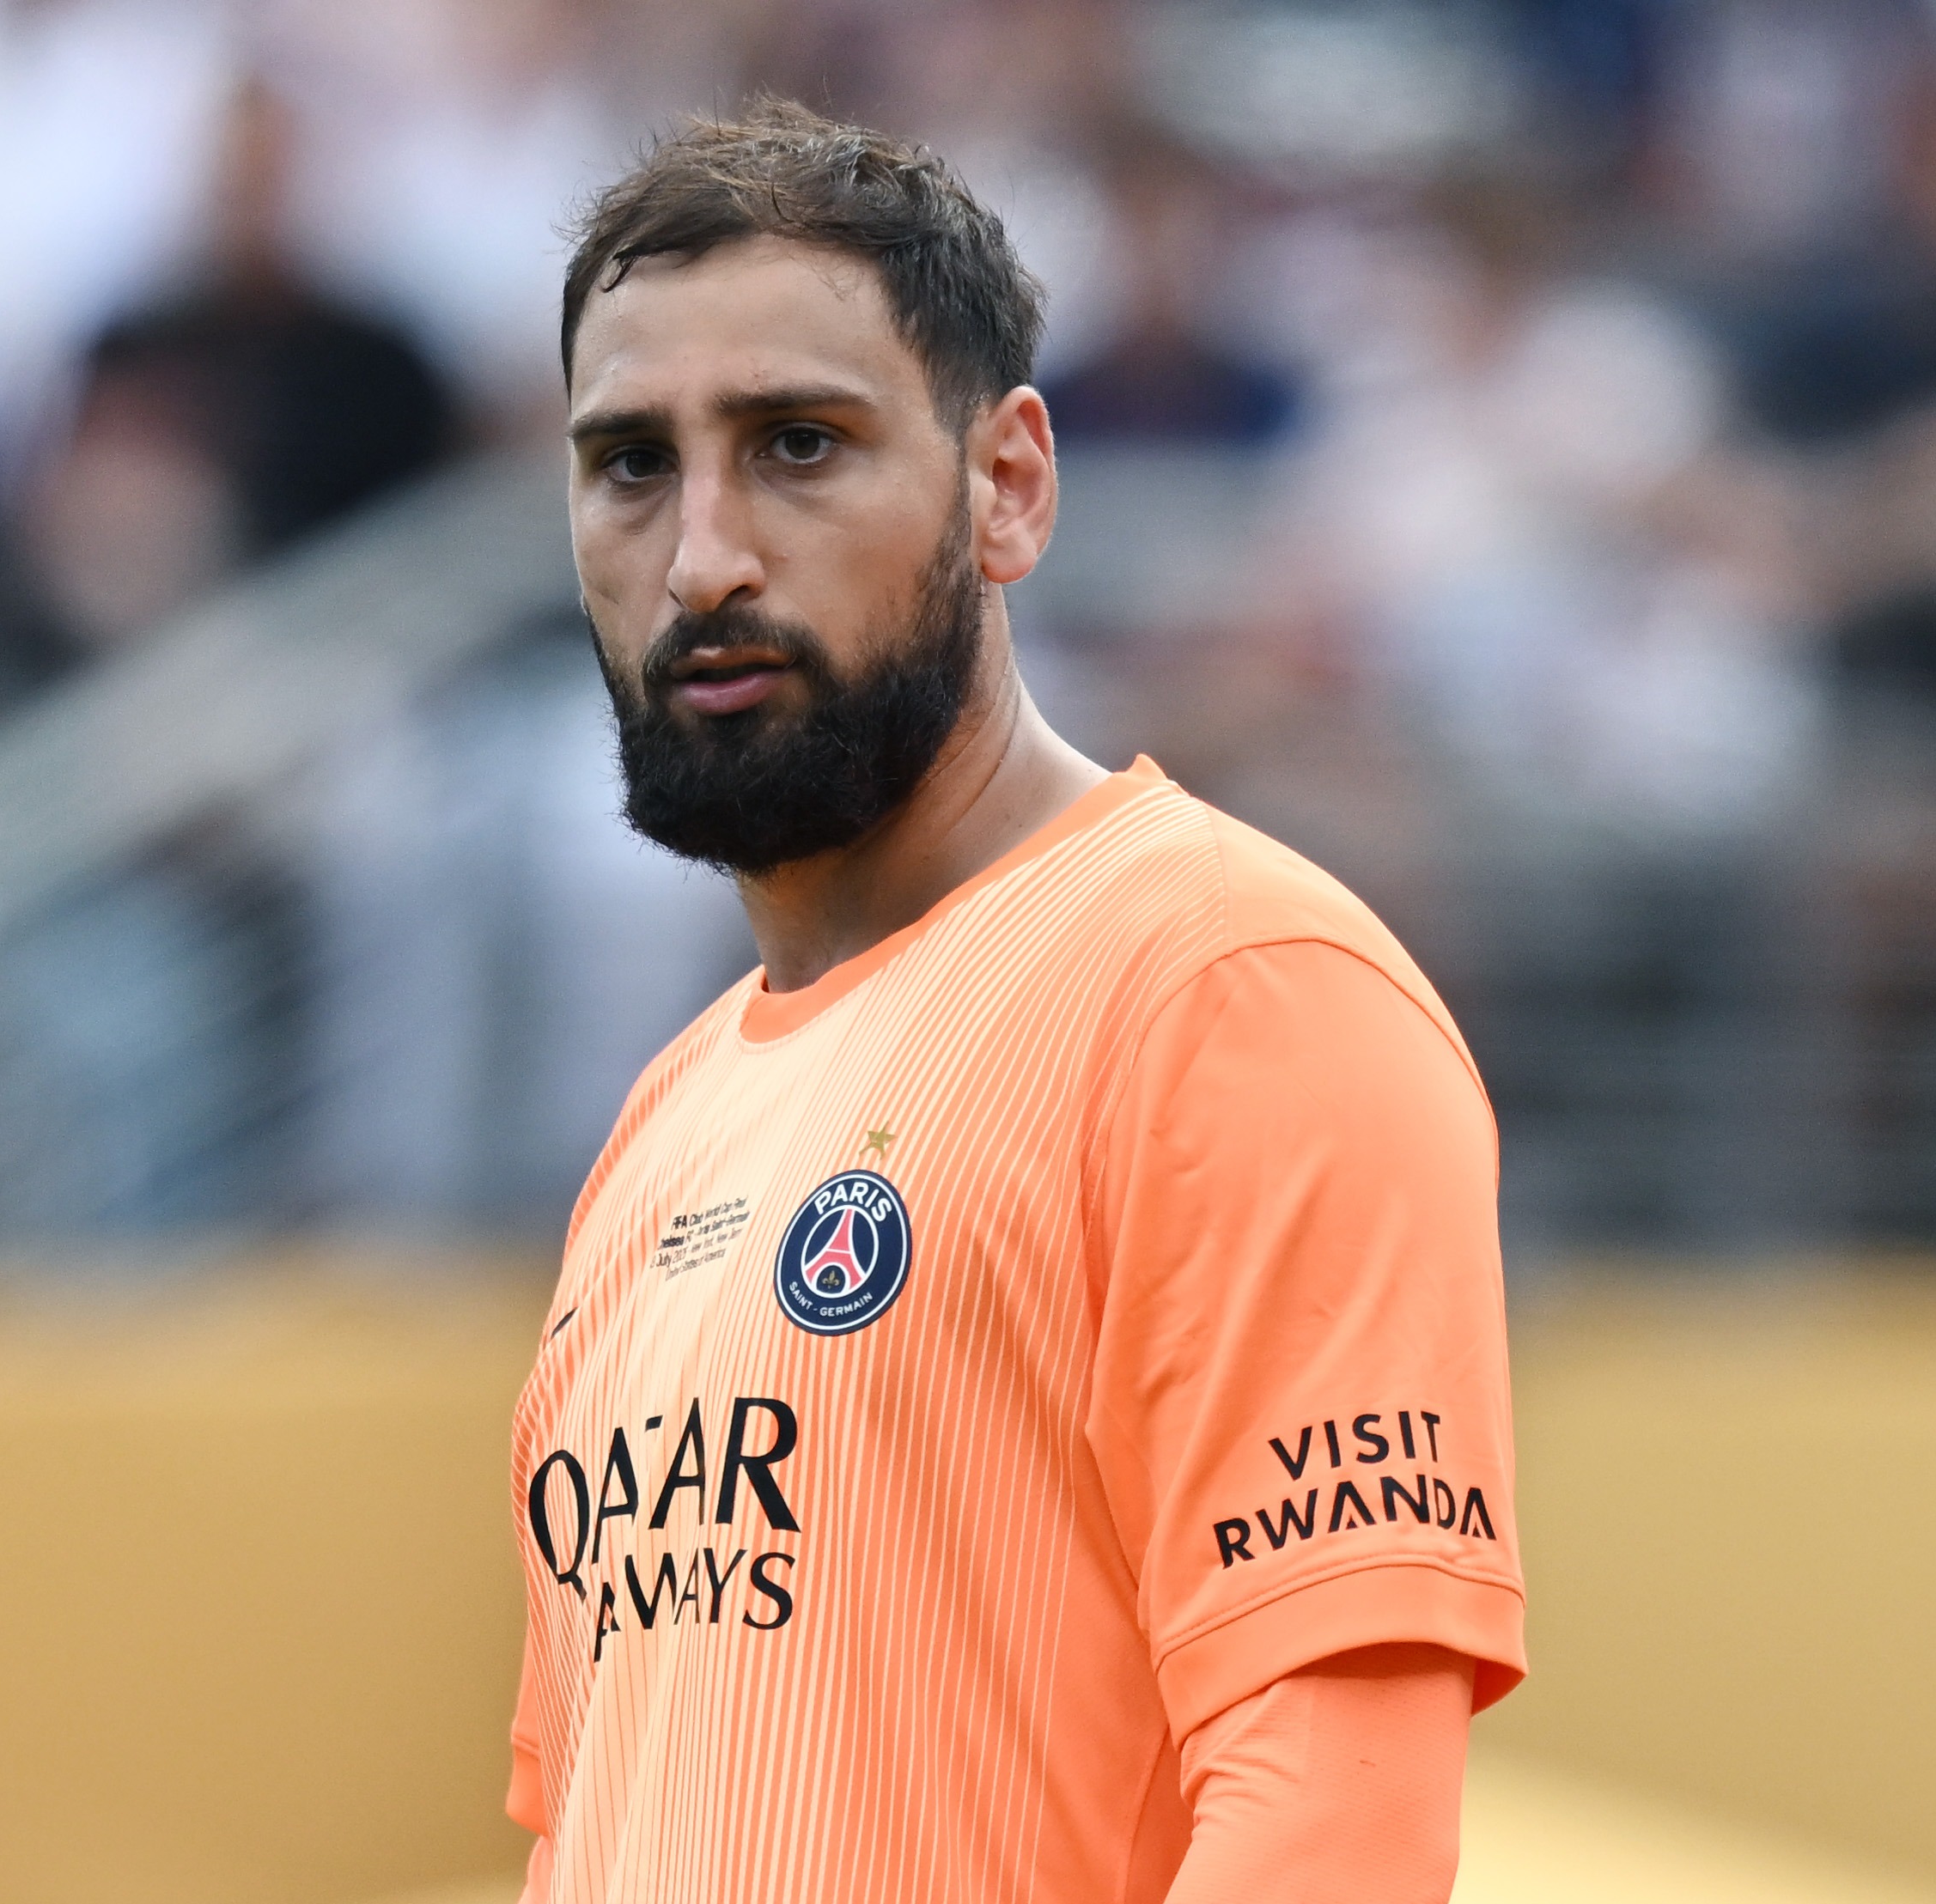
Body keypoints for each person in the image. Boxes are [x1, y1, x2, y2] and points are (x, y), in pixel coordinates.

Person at [509, 101, 1524, 1902]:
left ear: (1010, 485)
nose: (703, 558)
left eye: (798, 445)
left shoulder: (1230, 986)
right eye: (632, 464)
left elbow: (1335, 1828)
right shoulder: (665, 1122)